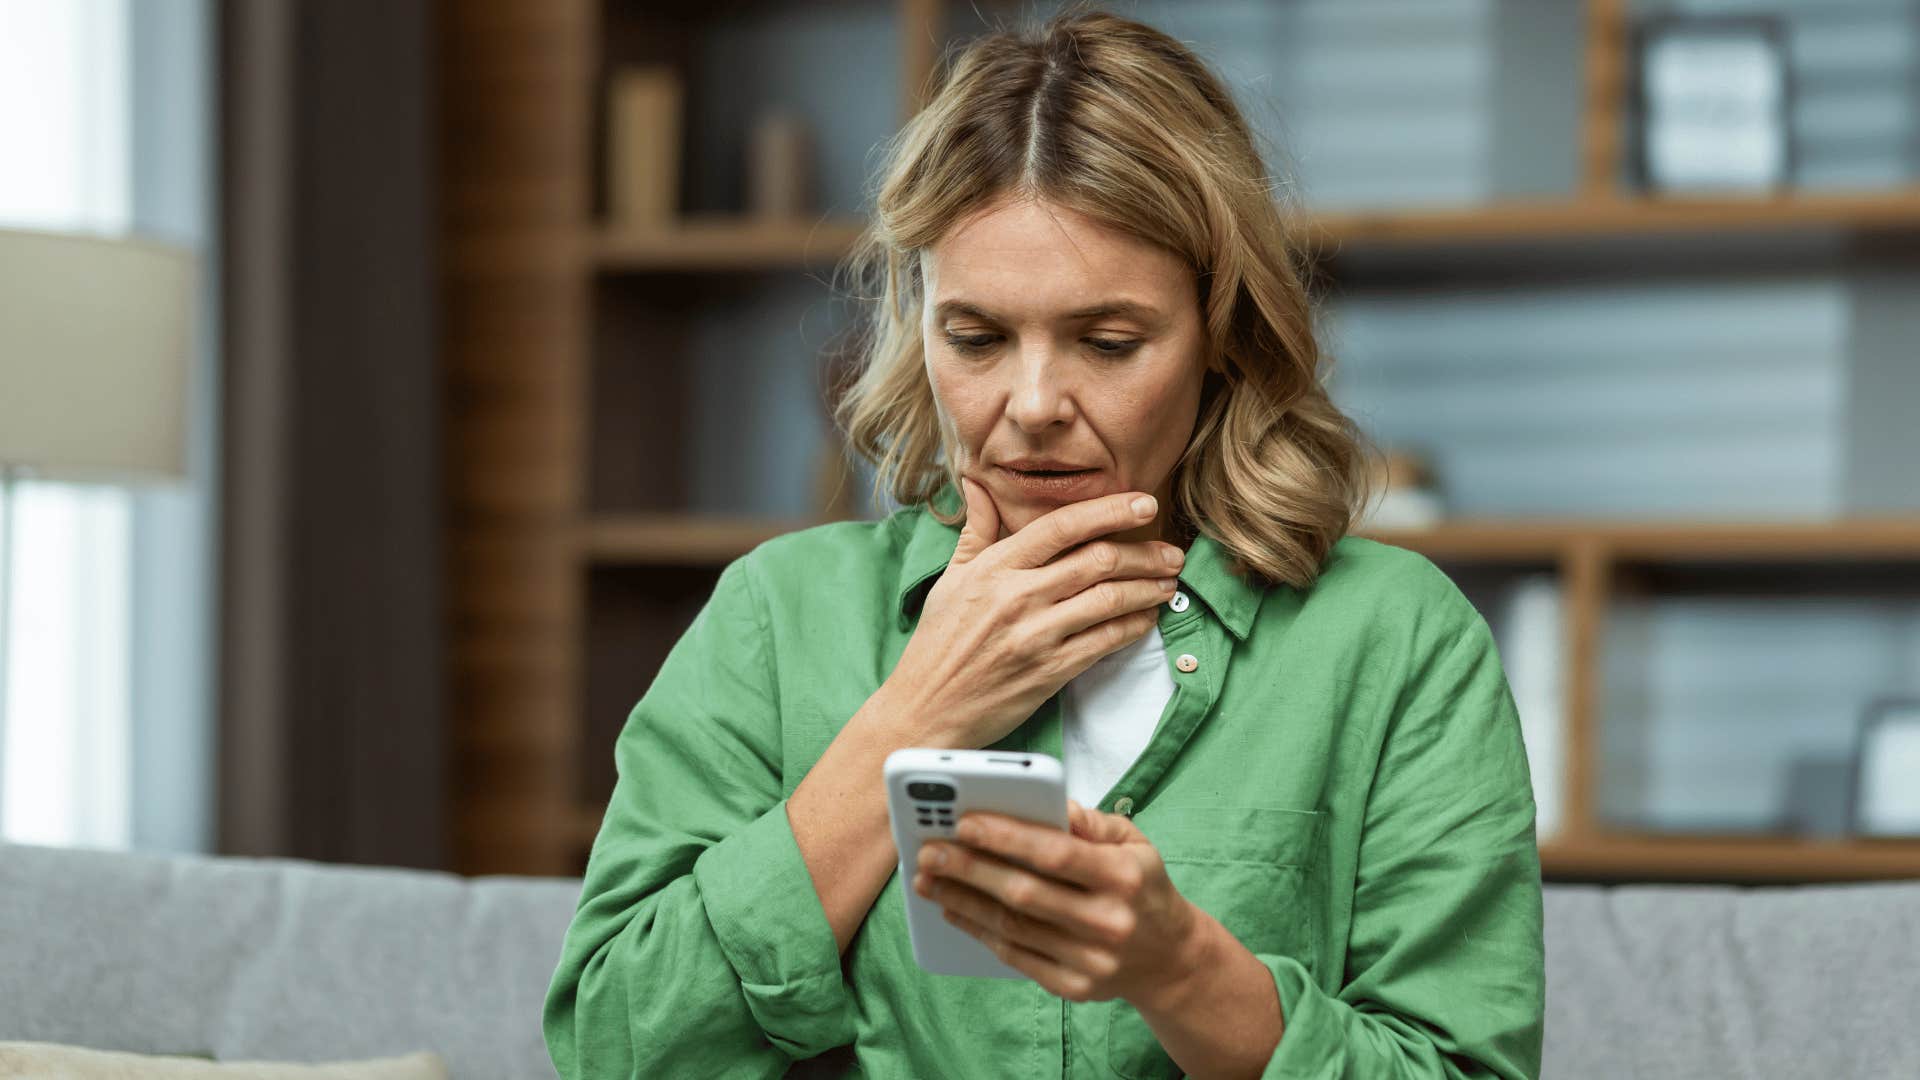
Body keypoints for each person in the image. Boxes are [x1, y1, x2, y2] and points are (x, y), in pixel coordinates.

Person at [543, 7, 1544, 1079]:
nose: (1032, 405)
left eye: (1108, 343)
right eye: (974, 337)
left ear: (1221, 332)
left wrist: (1182, 969)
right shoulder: (780, 617)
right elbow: (615, 1043)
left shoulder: (1393, 640)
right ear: (918, 321)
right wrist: (916, 715)